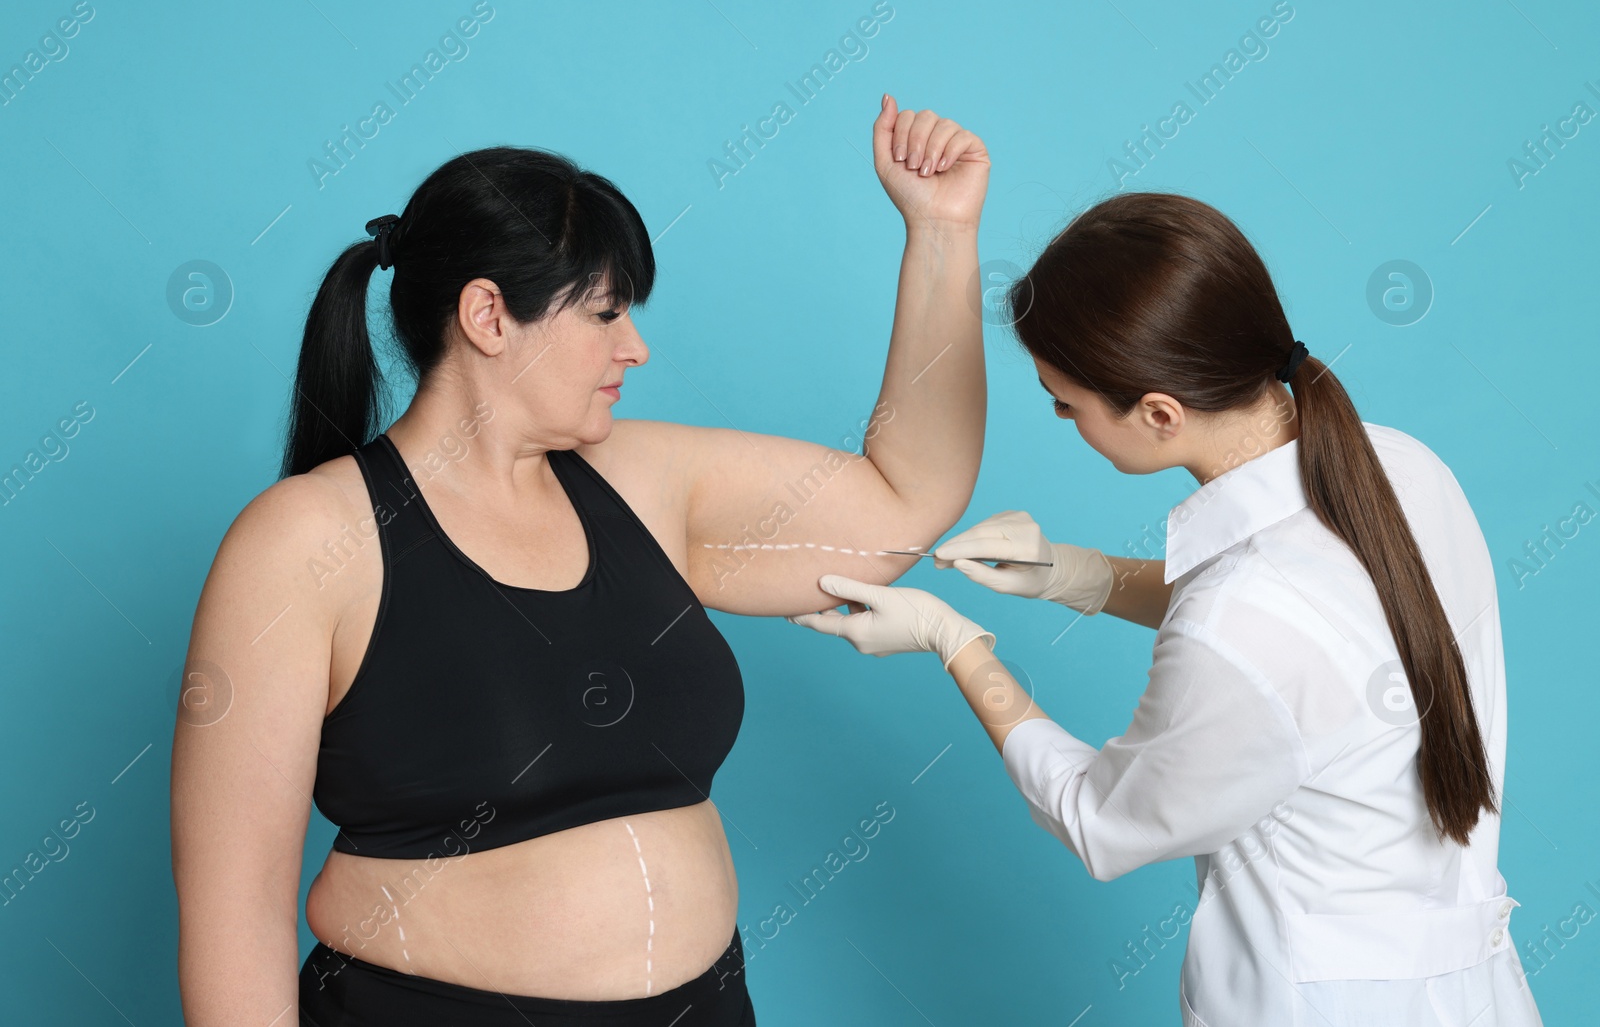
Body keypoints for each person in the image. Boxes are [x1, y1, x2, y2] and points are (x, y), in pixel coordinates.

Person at [169, 95, 992, 1026]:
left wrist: (941, 233)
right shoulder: (304, 540)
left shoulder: (643, 482)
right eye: (605, 313)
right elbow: (235, 910)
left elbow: (904, 501)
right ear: (488, 315)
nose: (634, 346)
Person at [786, 192, 1544, 1026]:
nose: (1057, 416)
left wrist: (953, 639)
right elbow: (1311, 646)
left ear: (1158, 413)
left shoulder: (1240, 617)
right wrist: (1076, 574)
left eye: (1066, 403)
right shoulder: (1403, 467)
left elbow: (1099, 819)